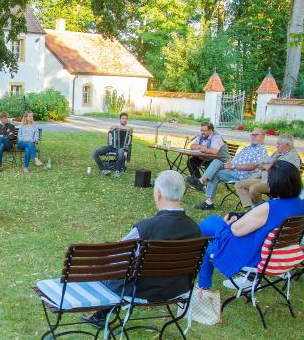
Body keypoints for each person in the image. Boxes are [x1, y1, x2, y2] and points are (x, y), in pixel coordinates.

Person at [81, 170, 203, 328]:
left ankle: (101, 314)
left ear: (158, 194)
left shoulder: (146, 228)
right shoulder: (195, 230)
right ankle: (101, 315)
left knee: (104, 267)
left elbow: (116, 255)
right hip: (177, 289)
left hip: (142, 290)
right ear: (182, 193)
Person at [197, 160, 304, 291]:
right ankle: (203, 281)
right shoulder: (299, 204)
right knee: (212, 225)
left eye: (269, 178)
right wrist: (238, 217)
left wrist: (233, 222)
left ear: (276, 182)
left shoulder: (270, 207)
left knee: (210, 226)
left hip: (255, 254)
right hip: (277, 252)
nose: (267, 181)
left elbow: (236, 231)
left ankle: (202, 284)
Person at [190, 128, 268, 210]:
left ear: (263, 137)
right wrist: (229, 163)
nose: (253, 137)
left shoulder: (262, 150)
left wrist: (234, 166)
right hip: (232, 169)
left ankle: (208, 201)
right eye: (252, 135)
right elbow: (235, 158)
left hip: (242, 174)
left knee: (215, 174)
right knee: (216, 161)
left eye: (256, 135)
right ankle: (201, 182)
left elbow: (253, 166)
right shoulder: (248, 148)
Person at [235, 134, 301, 208]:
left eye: (279, 144)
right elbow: (266, 163)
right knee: (239, 184)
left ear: (287, 145)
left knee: (254, 189)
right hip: (265, 179)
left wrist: (265, 166)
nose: (276, 146)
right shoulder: (279, 152)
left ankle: (258, 209)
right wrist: (264, 165)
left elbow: (277, 170)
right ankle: (250, 207)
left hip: (278, 184)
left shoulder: (293, 156)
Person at [92, 112, 131, 178]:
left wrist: (118, 126)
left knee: (121, 152)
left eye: (126, 119)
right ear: (120, 119)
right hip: (110, 147)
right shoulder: (114, 127)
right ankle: (103, 169)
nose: (124, 120)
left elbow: (130, 129)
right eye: (123, 118)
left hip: (120, 149)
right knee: (95, 153)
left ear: (127, 120)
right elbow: (110, 130)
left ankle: (117, 171)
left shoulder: (129, 128)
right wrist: (111, 130)